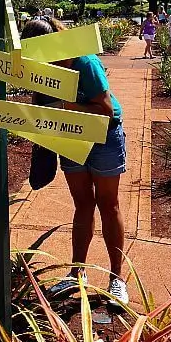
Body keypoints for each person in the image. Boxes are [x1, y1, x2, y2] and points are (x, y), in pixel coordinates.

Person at [22, 16, 128, 305]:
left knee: (108, 204)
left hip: (104, 135)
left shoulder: (85, 62)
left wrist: (66, 105)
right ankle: (77, 272)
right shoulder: (39, 68)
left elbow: (106, 110)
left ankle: (117, 278)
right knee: (82, 204)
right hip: (71, 136)